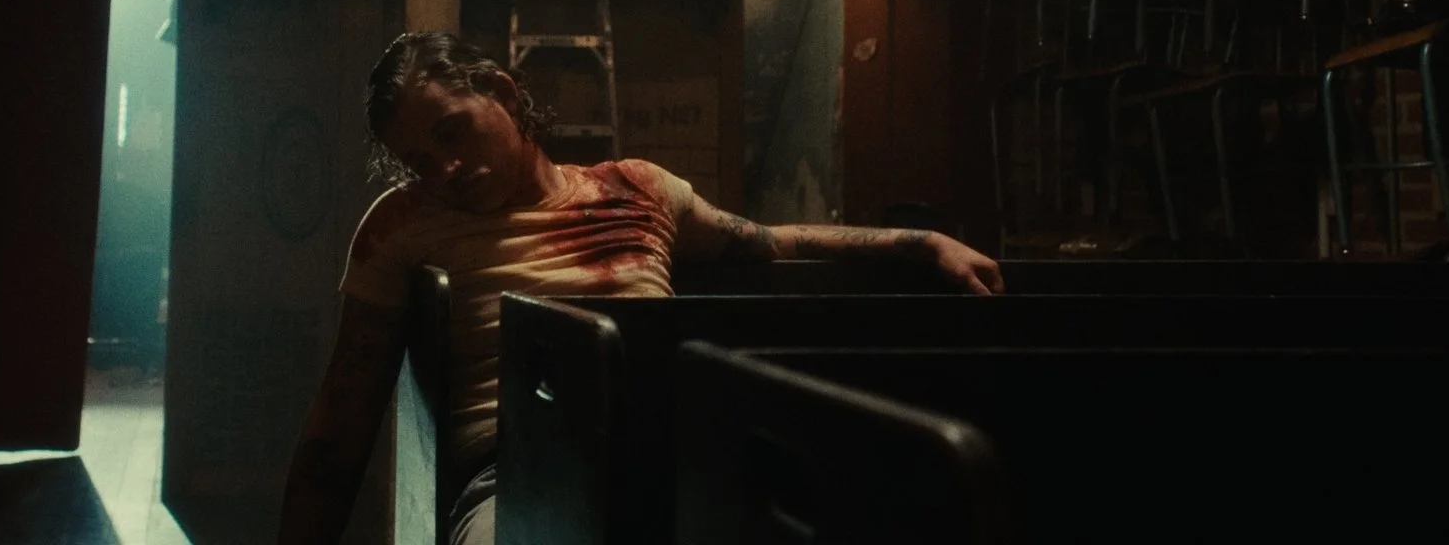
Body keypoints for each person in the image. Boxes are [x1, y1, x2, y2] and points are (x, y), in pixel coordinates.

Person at [277, 32, 1002, 545]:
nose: (446, 169)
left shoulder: (636, 189)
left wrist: (920, 243)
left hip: (669, 454)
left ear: (500, 92)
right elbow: (341, 422)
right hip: (516, 474)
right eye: (419, 160)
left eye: (451, 132)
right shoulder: (403, 224)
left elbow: (770, 242)